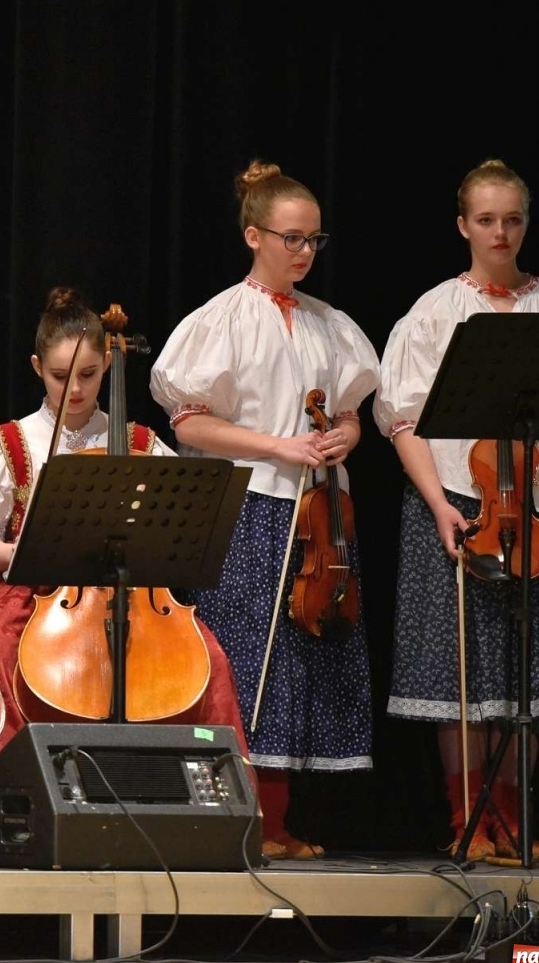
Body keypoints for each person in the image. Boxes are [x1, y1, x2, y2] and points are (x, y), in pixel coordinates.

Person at [374, 159, 539, 863]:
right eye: (486, 219)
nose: (500, 232)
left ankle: (515, 819)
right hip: (459, 499)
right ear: (463, 225)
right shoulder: (433, 311)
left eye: (512, 219)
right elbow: (401, 419)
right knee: (466, 674)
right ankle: (468, 818)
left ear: (526, 224)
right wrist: (436, 505)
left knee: (531, 672)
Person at [149, 160, 379, 860]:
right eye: (290, 238)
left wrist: (346, 433)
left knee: (308, 661)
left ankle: (278, 821)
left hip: (317, 513)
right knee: (250, 661)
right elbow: (189, 424)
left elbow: (347, 414)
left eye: (314, 240)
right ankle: (245, 820)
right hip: (250, 506)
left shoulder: (330, 325)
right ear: (254, 236)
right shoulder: (220, 320)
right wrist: (278, 445)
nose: (304, 252)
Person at [0, 287, 250, 784]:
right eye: (61, 377)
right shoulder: (12, 442)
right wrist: (24, 551)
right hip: (29, 593)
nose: (77, 390)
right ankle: (17, 796)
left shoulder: (138, 443)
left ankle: (187, 797)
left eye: (88, 375)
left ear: (108, 365)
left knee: (208, 660)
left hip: (128, 598)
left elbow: (175, 531)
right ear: (36, 367)